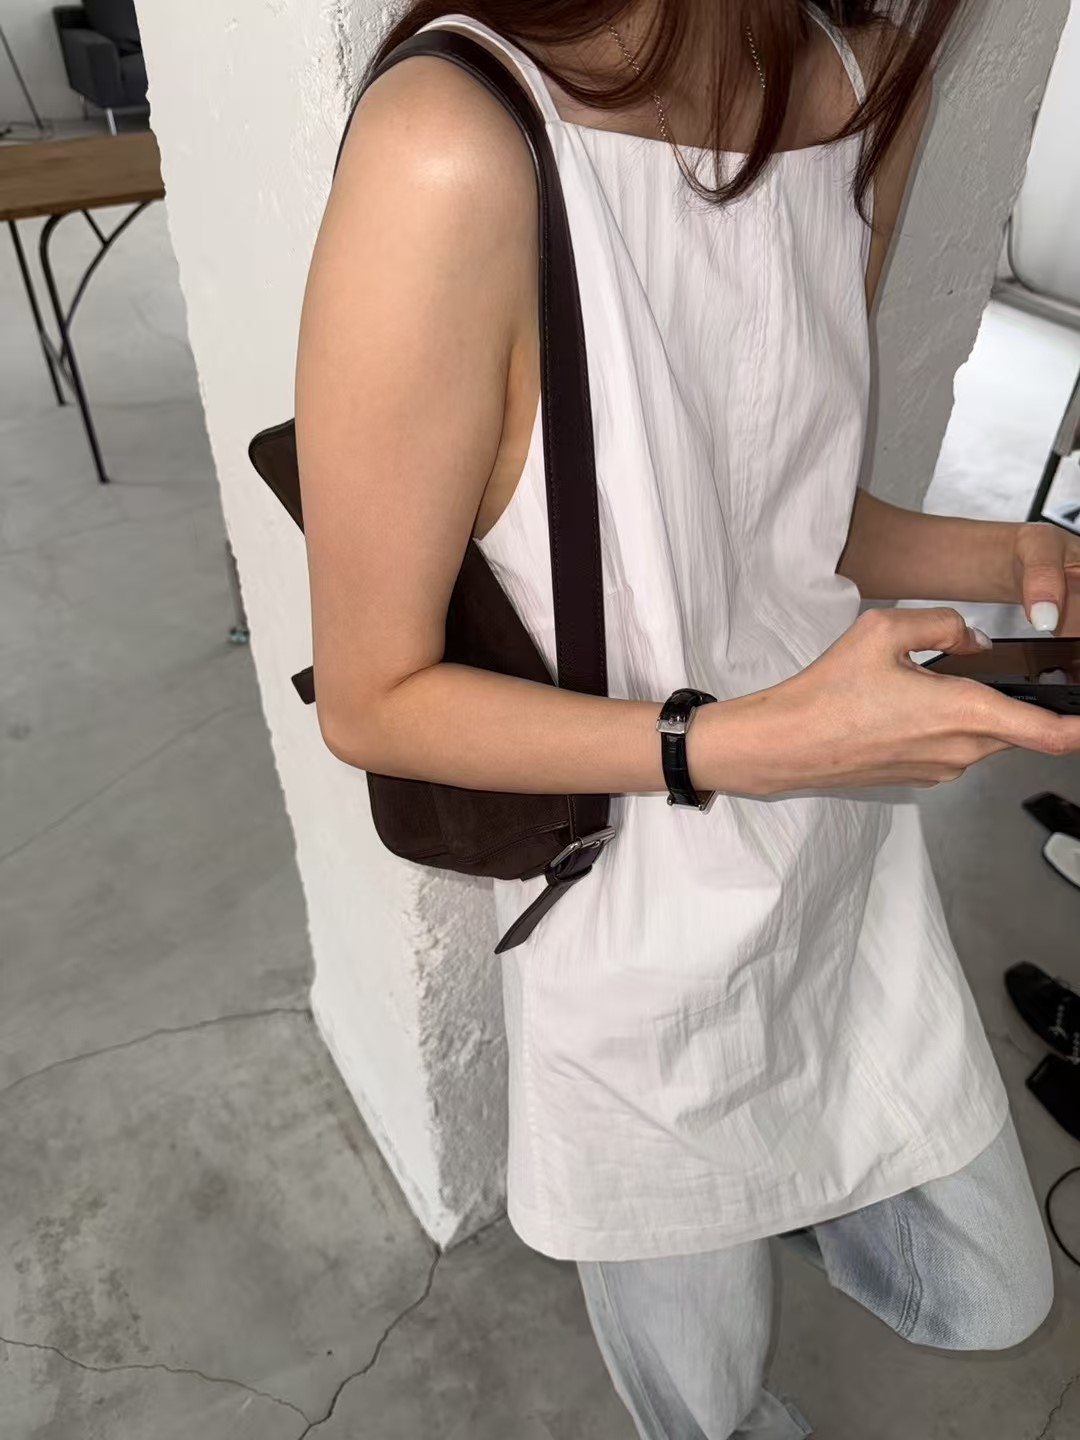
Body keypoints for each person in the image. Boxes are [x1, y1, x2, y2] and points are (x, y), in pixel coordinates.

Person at [295, 3, 1074, 1434]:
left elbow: (779, 502)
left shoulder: (852, 82)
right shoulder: (456, 139)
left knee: (990, 1296)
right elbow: (372, 698)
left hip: (832, 840)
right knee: (704, 1404)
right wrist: (735, 746)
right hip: (630, 875)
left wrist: (1012, 556)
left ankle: (774, 1186)